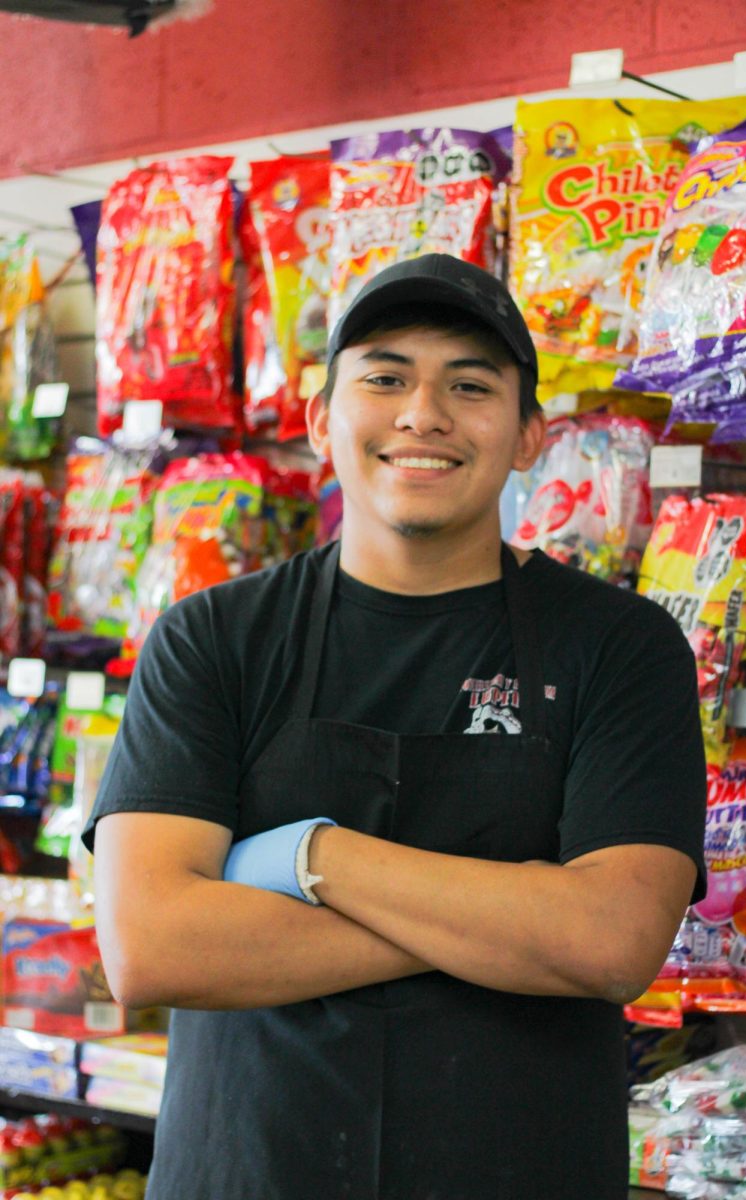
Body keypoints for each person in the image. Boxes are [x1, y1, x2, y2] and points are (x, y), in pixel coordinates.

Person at [86, 253, 707, 1200]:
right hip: (248, 1172)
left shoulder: (621, 647)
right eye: (384, 377)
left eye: (470, 384)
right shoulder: (212, 639)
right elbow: (151, 947)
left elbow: (616, 941)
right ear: (317, 416)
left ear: (531, 433)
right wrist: (519, 920)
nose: (423, 414)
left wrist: (310, 858)